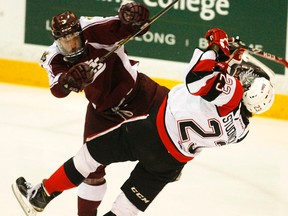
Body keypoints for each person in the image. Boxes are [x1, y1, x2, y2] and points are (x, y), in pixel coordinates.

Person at [13, 28, 275, 216]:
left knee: (89, 157)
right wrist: (228, 58)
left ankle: (41, 194)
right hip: (170, 164)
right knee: (127, 208)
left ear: (245, 88)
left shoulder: (232, 92)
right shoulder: (242, 129)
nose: (243, 75)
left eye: (247, 77)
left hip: (149, 131)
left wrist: (215, 49)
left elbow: (197, 79)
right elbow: (218, 90)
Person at [38, 1, 169, 216]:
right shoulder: (53, 57)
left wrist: (134, 20)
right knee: (90, 168)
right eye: (65, 42)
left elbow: (130, 28)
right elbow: (57, 89)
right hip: (102, 112)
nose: (72, 45)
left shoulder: (93, 29)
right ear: (57, 41)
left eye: (74, 39)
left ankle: (168, 163)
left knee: (174, 118)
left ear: (80, 32)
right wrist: (69, 81)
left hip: (140, 95)